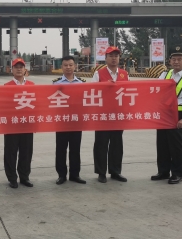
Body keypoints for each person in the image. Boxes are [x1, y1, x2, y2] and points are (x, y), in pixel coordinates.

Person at [152, 46, 182, 184]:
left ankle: (177, 174)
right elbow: (155, 91)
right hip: (163, 114)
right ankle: (163, 172)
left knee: (176, 145)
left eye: (180, 59)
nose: (176, 62)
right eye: (174, 59)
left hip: (177, 114)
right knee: (162, 144)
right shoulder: (164, 75)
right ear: (170, 61)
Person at [92, 46, 129, 184]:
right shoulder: (99, 74)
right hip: (103, 115)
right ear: (105, 58)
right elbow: (92, 92)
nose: (114, 58)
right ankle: (101, 172)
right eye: (111, 56)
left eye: (116, 56)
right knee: (101, 144)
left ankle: (115, 171)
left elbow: (130, 92)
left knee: (116, 144)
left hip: (118, 115)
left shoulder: (125, 74)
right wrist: (104, 86)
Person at [52, 55, 86, 186]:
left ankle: (75, 174)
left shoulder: (82, 83)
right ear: (61, 67)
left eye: (71, 65)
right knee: (61, 149)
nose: (68, 67)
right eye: (65, 65)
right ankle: (61, 175)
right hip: (62, 121)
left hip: (76, 121)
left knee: (75, 149)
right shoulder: (56, 83)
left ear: (75, 66)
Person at [4, 58, 35, 188]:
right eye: (16, 67)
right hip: (12, 125)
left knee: (26, 152)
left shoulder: (32, 85)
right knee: (11, 152)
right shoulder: (6, 86)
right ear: (12, 70)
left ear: (25, 69)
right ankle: (12, 178)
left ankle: (24, 176)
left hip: (27, 124)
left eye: (21, 67)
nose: (18, 69)